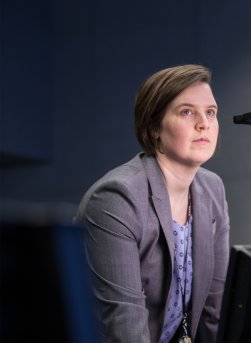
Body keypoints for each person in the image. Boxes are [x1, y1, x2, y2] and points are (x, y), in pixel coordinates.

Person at [75, 64, 230, 343]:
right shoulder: (116, 197)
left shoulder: (212, 189)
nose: (203, 123)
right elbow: (125, 324)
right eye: (186, 112)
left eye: (210, 112)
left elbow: (215, 310)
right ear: (154, 128)